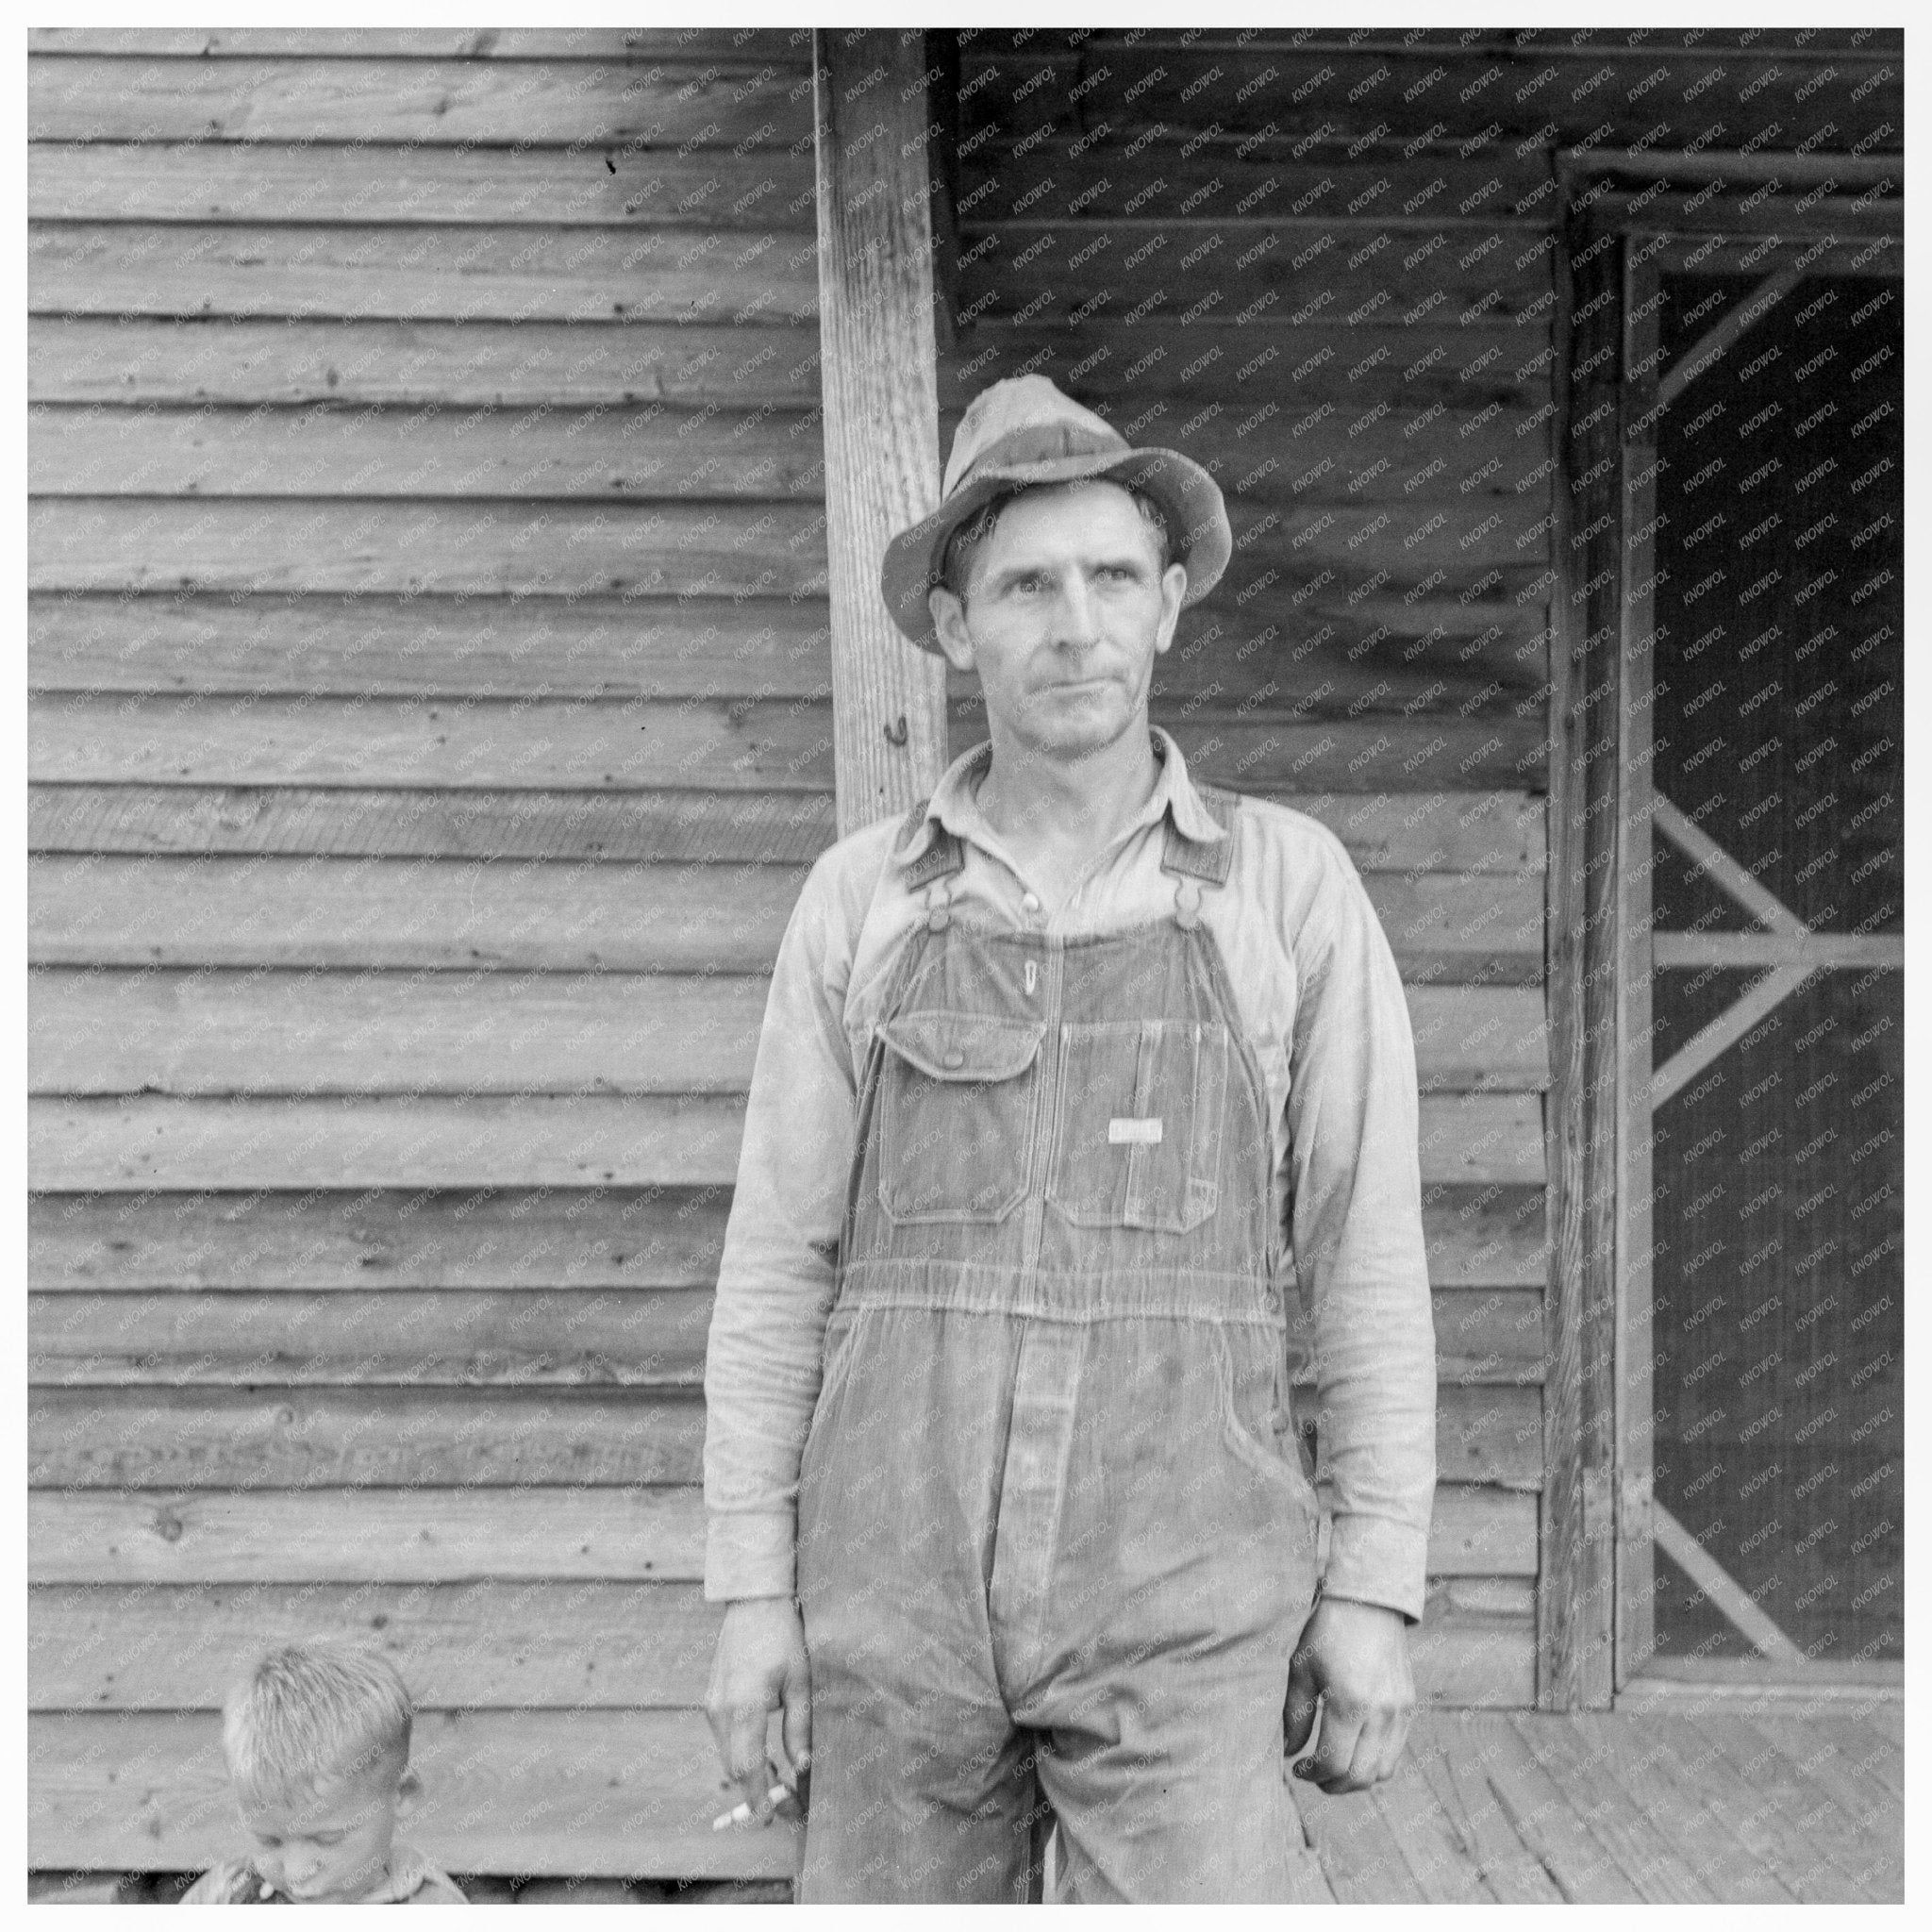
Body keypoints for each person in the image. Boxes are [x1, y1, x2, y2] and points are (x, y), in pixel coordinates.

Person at [702, 375, 1437, 1902]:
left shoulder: (1279, 891)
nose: (1074, 622)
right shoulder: (867, 902)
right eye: (1025, 585)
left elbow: (1361, 1257)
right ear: (956, 624)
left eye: (1110, 577)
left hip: (1184, 1610)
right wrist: (747, 1592)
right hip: (893, 1605)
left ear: (1168, 605)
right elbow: (777, 1265)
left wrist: (1371, 1584)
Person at [180, 1641, 467, 1904]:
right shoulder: (228, 1895)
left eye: (327, 1839)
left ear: (402, 1794)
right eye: (270, 1841)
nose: (295, 1873)